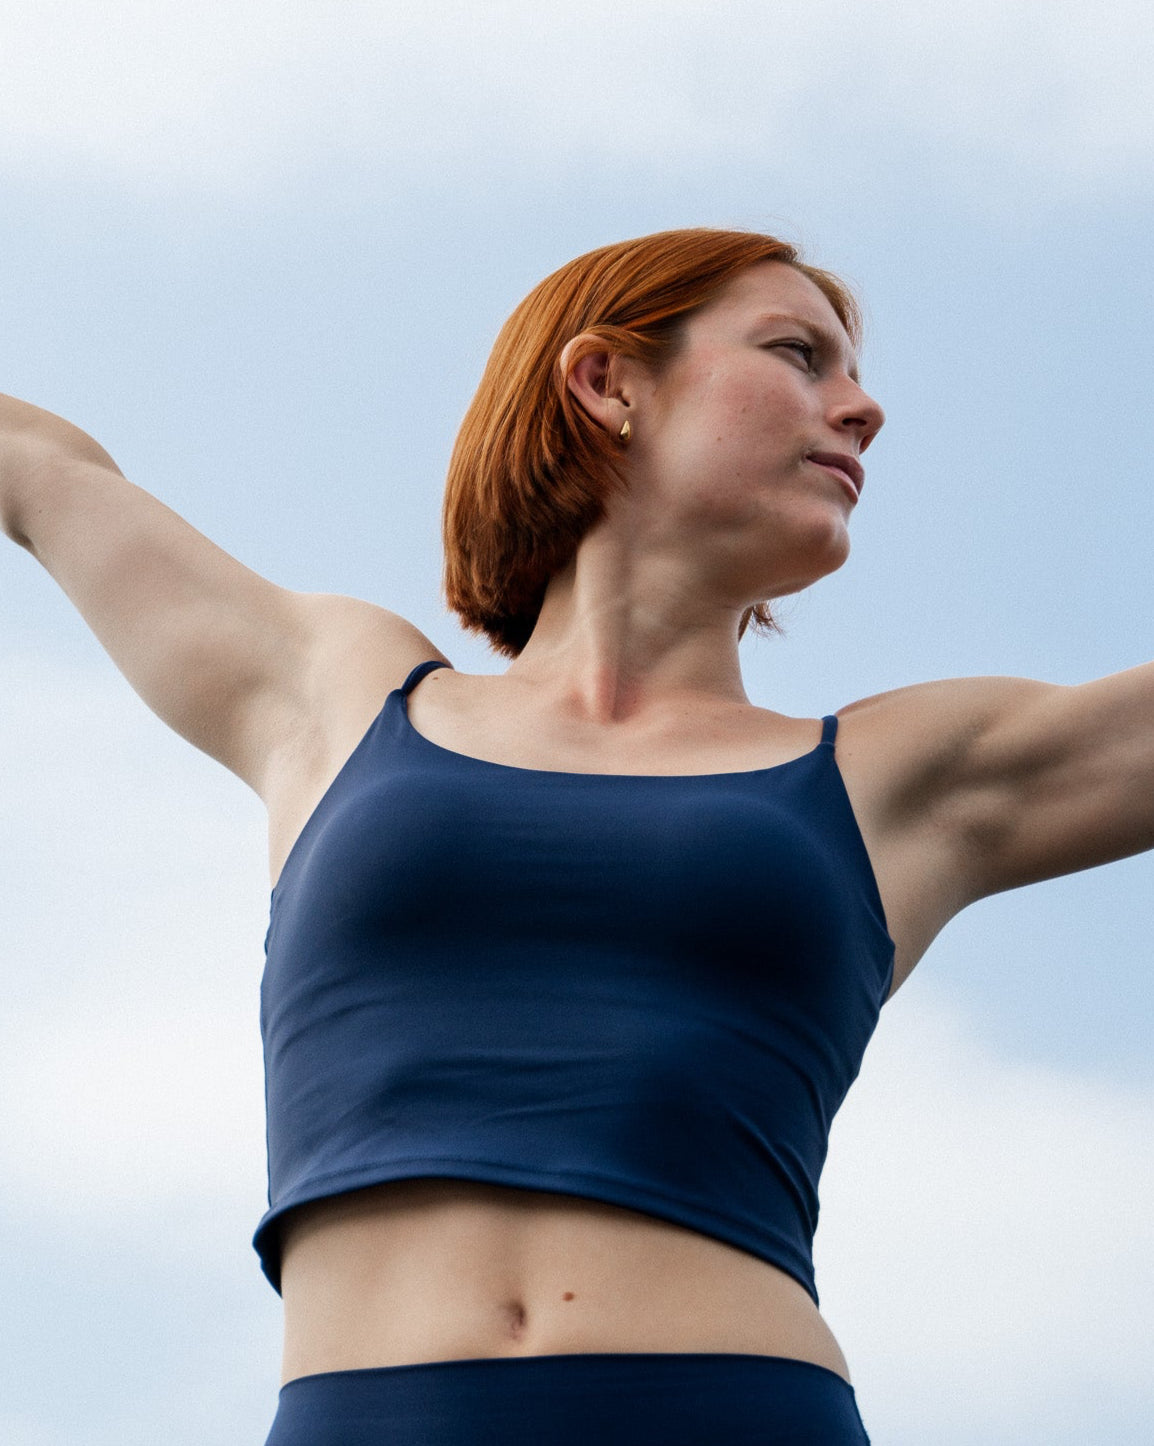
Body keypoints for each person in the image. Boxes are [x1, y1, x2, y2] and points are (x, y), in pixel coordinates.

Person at [2, 227, 1150, 1445]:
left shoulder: (898, 773)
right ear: (606, 383)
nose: (861, 409)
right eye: (798, 355)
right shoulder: (338, 692)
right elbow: (39, 467)